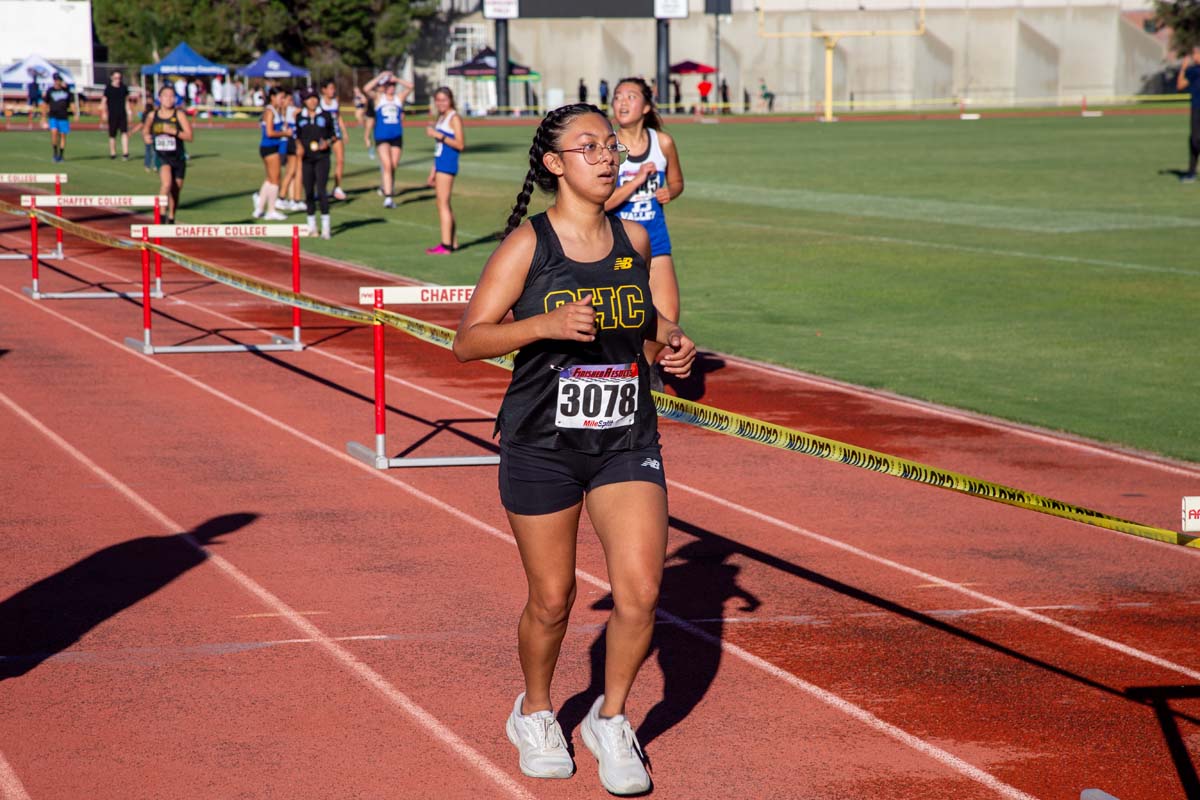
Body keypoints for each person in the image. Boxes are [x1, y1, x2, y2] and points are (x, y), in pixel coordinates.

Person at [451, 102, 696, 797]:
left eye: (611, 145)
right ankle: (534, 710)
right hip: (542, 443)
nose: (607, 155)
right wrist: (544, 324)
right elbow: (469, 340)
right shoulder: (529, 246)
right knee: (553, 600)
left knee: (642, 592)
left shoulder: (633, 239)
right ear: (555, 164)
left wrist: (670, 345)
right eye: (588, 146)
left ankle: (610, 719)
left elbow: (640, 326)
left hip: (625, 438)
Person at [607, 77, 685, 382]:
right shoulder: (608, 145)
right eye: (617, 96)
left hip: (655, 237)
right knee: (618, 318)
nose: (622, 102)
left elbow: (677, 181)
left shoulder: (662, 142)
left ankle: (644, 367)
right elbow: (603, 202)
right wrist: (636, 182)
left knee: (668, 312)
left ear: (647, 106)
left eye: (631, 96)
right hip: (616, 240)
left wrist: (671, 192)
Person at [423, 87, 465, 255]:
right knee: (443, 203)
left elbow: (460, 144)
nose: (440, 103)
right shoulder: (442, 117)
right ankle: (452, 242)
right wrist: (433, 170)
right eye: (438, 100)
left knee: (443, 203)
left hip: (448, 164)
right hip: (441, 163)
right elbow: (439, 148)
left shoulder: (454, 118)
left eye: (444, 100)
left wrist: (438, 134)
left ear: (450, 100)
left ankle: (446, 245)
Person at [362, 70, 413, 207]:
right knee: (387, 165)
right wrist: (380, 77)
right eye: (388, 85)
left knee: (393, 166)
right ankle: (388, 197)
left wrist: (397, 79)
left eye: (392, 86)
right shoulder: (379, 98)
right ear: (384, 87)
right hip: (382, 136)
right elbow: (366, 88)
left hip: (396, 136)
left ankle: (386, 187)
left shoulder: (399, 98)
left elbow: (410, 86)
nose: (391, 88)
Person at [143, 84, 192, 224]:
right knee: (166, 184)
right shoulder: (153, 115)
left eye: (172, 96)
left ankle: (171, 216)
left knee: (175, 191)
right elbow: (145, 130)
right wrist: (146, 137)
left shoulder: (179, 115)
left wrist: (174, 132)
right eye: (166, 96)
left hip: (178, 157)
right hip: (162, 156)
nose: (169, 99)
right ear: (160, 98)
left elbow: (189, 136)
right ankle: (161, 215)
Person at [296, 87, 335, 239]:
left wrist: (327, 142)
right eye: (309, 98)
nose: (312, 101)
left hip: (322, 157)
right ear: (304, 101)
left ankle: (326, 227)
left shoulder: (325, 116)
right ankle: (311, 225)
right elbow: (296, 136)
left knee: (321, 189)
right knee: (309, 191)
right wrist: (298, 146)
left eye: (314, 97)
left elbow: (333, 135)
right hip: (306, 158)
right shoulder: (300, 117)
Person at [251, 87, 291, 221]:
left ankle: (260, 208)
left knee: (269, 178)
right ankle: (271, 210)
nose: (283, 100)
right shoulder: (270, 111)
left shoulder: (277, 110)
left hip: (271, 147)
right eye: (281, 97)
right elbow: (269, 132)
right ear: (273, 97)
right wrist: (285, 133)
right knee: (275, 179)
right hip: (269, 148)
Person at [319, 79, 348, 200]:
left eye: (333, 88)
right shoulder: (319, 102)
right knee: (322, 163)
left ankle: (337, 187)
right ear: (324, 90)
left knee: (340, 160)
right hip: (323, 134)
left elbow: (338, 116)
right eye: (330, 88)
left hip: (336, 134)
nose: (333, 91)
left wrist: (344, 132)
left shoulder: (336, 101)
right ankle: (321, 188)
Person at [278, 91, 304, 211]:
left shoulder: (287, 111)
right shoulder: (293, 111)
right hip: (294, 142)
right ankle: (290, 199)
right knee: (296, 171)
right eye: (288, 100)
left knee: (293, 172)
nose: (290, 102)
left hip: (291, 142)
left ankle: (291, 198)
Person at [1177, 47, 1200, 183]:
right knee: (1194, 140)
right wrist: (1183, 68)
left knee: (1195, 140)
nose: (1195, 56)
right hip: (1196, 108)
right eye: (1194, 54)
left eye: (1197, 53)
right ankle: (1191, 173)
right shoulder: (1192, 71)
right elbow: (1180, 85)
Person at [101, 71, 133, 160]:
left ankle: (125, 153)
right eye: (116, 78)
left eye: (119, 78)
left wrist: (129, 112)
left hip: (122, 113)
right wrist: (104, 112)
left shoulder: (123, 88)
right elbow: (104, 101)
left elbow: (127, 101)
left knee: (124, 133)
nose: (117, 80)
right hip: (112, 114)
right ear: (112, 78)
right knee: (112, 134)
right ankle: (113, 153)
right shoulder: (108, 88)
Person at [42, 73, 74, 163]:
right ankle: (55, 153)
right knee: (54, 133)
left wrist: (75, 113)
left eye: (58, 80)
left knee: (63, 135)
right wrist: (43, 117)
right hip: (53, 115)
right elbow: (45, 104)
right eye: (55, 80)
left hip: (63, 116)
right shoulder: (50, 91)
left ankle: (61, 155)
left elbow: (71, 102)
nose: (56, 82)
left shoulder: (66, 91)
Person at [136, 99, 155, 172]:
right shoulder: (155, 114)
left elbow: (142, 125)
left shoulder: (145, 114)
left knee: (148, 150)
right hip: (154, 133)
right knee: (155, 151)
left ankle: (147, 166)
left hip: (147, 134)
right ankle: (155, 166)